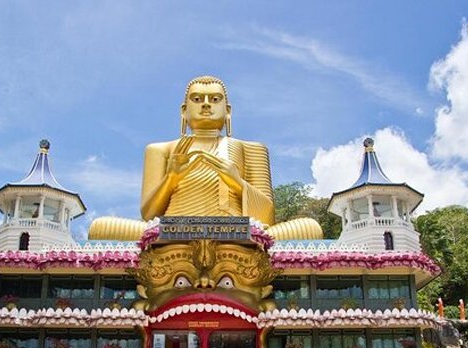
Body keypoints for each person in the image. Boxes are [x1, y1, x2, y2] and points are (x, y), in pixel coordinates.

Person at [88, 76, 322, 240]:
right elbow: (149, 215)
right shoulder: (161, 150)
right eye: (198, 99)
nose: (207, 105)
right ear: (183, 110)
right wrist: (171, 177)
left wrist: (237, 183)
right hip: (172, 232)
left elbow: (266, 218)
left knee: (310, 228)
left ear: (228, 110)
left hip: (236, 232)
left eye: (215, 99)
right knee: (101, 228)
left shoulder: (250, 149)